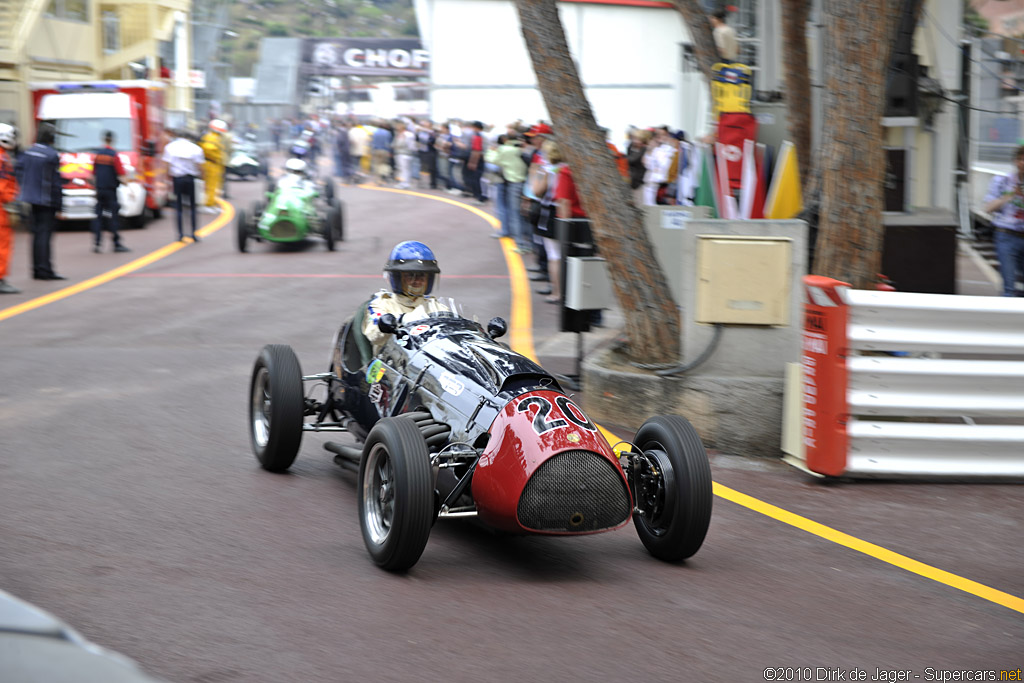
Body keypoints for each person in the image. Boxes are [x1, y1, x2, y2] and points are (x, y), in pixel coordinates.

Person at [363, 241, 448, 352]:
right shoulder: (380, 304)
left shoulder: (436, 306)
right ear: (397, 278)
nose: (417, 281)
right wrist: (400, 320)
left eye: (422, 276)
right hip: (389, 363)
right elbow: (373, 335)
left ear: (429, 279)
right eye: (410, 276)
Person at [16, 123, 65, 281]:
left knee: (36, 234)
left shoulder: (28, 152)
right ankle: (46, 270)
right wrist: (60, 205)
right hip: (47, 199)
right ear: (51, 137)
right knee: (45, 235)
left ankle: (37, 269)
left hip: (31, 198)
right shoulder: (51, 155)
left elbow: (19, 171)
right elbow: (55, 183)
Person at [983, 145, 1024, 296]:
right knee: (1009, 287)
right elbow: (988, 207)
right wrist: (1010, 195)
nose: (1022, 163)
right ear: (1015, 161)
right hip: (1006, 236)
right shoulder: (1002, 181)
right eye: (1020, 159)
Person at [90, 130, 130, 253]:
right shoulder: (113, 155)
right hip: (110, 190)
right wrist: (127, 183)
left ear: (103, 139)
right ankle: (116, 243)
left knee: (98, 216)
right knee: (113, 217)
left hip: (100, 189)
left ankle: (97, 244)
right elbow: (121, 174)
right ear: (112, 140)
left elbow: (93, 174)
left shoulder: (98, 155)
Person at [162, 128, 205, 242]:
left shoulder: (170, 147)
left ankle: (180, 234)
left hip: (177, 179)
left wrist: (167, 181)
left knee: (179, 208)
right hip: (190, 179)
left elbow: (166, 165)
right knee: (192, 207)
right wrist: (202, 178)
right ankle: (194, 233)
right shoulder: (195, 148)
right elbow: (200, 166)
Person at [0, 123, 20, 293]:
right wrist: (11, 204)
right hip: (1, 209)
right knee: (3, 244)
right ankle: (0, 279)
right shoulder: (2, 158)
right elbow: (4, 186)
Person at [199, 119, 227, 213]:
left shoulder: (213, 137)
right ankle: (208, 204)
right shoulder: (211, 138)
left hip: (214, 164)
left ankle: (212, 203)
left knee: (215, 186)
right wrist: (216, 156)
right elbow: (208, 148)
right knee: (211, 185)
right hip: (211, 164)